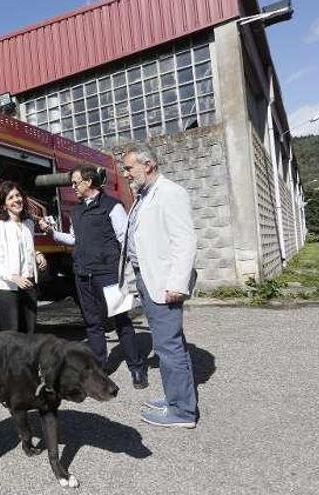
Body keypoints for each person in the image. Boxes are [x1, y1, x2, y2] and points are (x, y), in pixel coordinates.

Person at [39, 165, 148, 389]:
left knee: (122, 321)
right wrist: (52, 233)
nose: (73, 187)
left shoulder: (112, 206)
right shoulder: (77, 211)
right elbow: (73, 239)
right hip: (83, 275)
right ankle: (100, 367)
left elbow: (125, 239)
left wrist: (131, 271)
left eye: (76, 182)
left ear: (89, 183)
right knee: (93, 323)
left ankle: (136, 368)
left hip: (109, 275)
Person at [119, 142, 199, 428]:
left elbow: (185, 241)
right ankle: (176, 398)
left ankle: (183, 412)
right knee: (167, 345)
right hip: (148, 278)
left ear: (148, 165)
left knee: (168, 347)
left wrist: (177, 283)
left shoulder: (170, 193)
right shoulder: (145, 195)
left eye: (129, 168)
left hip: (164, 283)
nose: (126, 173)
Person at [0, 181, 47, 333]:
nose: (16, 200)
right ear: (4, 205)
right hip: (8, 288)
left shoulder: (28, 224)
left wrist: (39, 255)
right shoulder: (0, 228)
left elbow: (28, 249)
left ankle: (28, 358)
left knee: (29, 331)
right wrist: (13, 277)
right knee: (11, 334)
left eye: (18, 195)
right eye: (10, 198)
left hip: (28, 283)